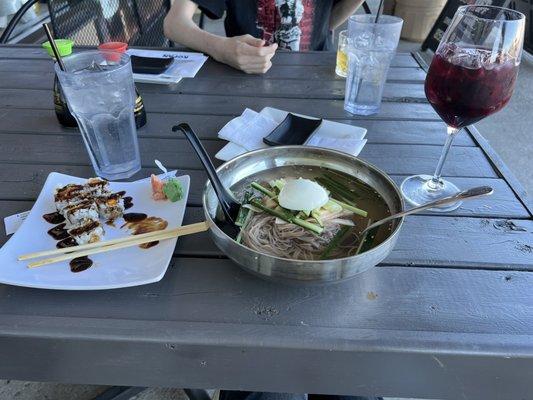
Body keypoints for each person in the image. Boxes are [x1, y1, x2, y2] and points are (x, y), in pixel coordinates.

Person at [164, 0, 365, 74]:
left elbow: (326, 20)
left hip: (319, 72)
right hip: (248, 79)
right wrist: (221, 49)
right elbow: (174, 24)